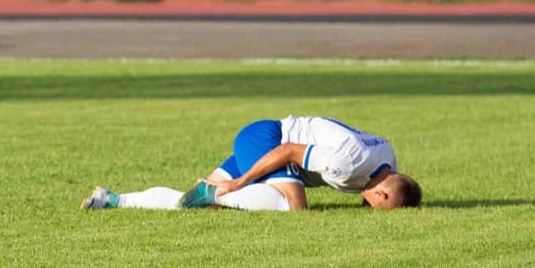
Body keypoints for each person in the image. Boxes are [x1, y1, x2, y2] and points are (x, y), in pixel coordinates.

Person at [82, 115, 422, 212]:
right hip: (269, 139)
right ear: (383, 196)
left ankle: (112, 200)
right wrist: (239, 183)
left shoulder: (387, 157)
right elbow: (289, 149)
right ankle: (214, 194)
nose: (370, 210)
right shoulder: (348, 164)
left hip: (267, 139)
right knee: (294, 208)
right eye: (377, 209)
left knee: (186, 206)